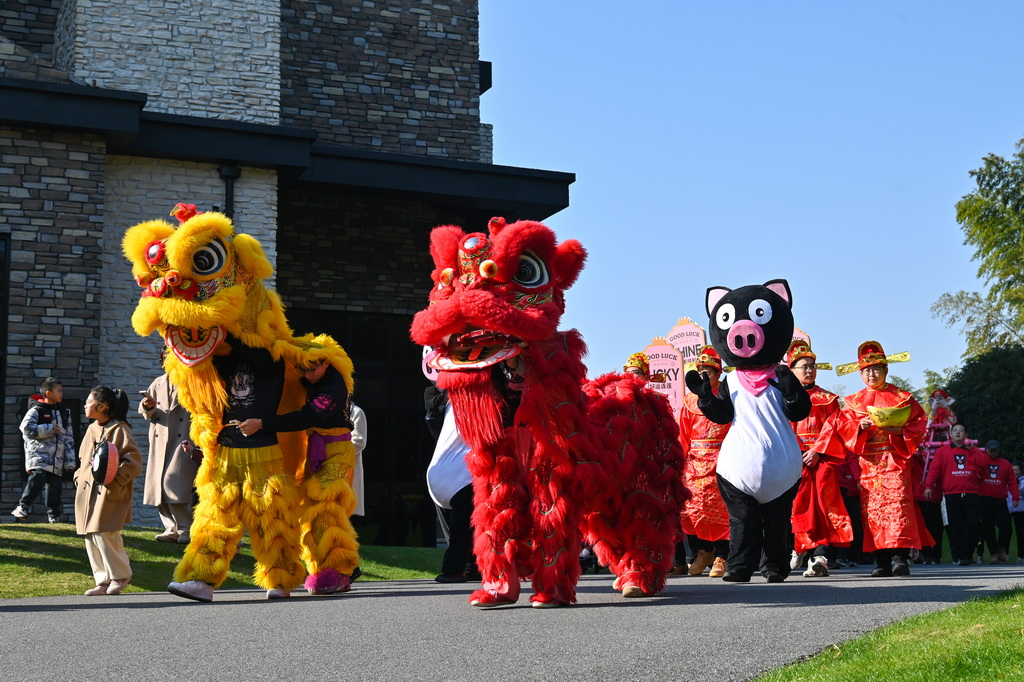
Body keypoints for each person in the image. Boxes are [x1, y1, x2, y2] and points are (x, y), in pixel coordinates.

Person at [168, 337, 305, 602]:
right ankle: (202, 579)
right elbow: (199, 362)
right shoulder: (225, 356)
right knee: (214, 517)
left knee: (270, 516)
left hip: (263, 449)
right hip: (227, 449)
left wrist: (232, 329)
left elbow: (262, 358)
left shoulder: (272, 356)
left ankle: (280, 580)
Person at [236, 350, 360, 596]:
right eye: (304, 369)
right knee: (310, 511)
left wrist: (263, 423)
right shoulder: (311, 378)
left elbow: (309, 415)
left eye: (313, 369)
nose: (308, 375)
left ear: (326, 362)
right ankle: (323, 567)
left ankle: (340, 570)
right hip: (316, 450)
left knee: (327, 509)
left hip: (336, 451)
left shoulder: (334, 386)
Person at [833, 341, 931, 577]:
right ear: (860, 373)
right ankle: (882, 559)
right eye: (866, 370)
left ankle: (900, 558)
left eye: (876, 369)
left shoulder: (902, 397)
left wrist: (900, 431)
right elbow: (843, 427)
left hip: (896, 460)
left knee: (898, 508)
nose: (871, 374)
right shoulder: (854, 401)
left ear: (886, 370)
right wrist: (859, 426)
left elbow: (919, 423)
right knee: (873, 511)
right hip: (870, 463)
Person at [785, 340, 852, 577]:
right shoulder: (784, 397)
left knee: (823, 505)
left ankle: (820, 556)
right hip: (794, 459)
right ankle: (800, 546)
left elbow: (835, 428)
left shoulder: (828, 399)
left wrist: (817, 451)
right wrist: (796, 453)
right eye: (803, 366)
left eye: (812, 365)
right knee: (798, 505)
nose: (809, 370)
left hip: (822, 459)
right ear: (792, 369)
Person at [73, 386, 143, 596]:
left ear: (102, 407)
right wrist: (78, 477)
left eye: (89, 401)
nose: (85, 405)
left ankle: (120, 576)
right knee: (90, 535)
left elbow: (133, 462)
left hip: (108, 493)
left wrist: (114, 482)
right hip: (86, 493)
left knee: (106, 534)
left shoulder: (120, 430)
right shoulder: (92, 429)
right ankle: (102, 581)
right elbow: (83, 460)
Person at [677, 345, 731, 578]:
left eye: (708, 372)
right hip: (694, 465)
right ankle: (705, 550)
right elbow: (683, 436)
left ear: (718, 374)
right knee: (689, 510)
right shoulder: (690, 402)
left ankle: (723, 556)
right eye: (700, 372)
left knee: (721, 511)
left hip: (722, 460)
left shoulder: (727, 397)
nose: (703, 376)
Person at [139, 349, 199, 544]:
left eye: (171, 358)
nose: (168, 362)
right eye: (165, 359)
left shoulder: (192, 380)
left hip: (183, 440)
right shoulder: (158, 382)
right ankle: (170, 528)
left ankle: (185, 528)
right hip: (161, 440)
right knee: (158, 487)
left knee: (173, 483)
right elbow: (144, 410)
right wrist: (148, 405)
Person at [427, 398, 477, 583]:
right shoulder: (478, 400)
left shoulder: (448, 401)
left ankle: (471, 566)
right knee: (463, 526)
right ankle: (453, 568)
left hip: (437, 469)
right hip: (462, 470)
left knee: (462, 526)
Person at [14, 377, 76, 523]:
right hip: (39, 456)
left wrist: (70, 462)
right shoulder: (36, 410)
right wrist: (49, 429)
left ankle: (53, 516)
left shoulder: (64, 413)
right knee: (39, 477)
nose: (62, 394)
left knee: (55, 487)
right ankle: (22, 506)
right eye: (59, 391)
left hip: (57, 460)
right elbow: (26, 428)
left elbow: (69, 437)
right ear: (48, 393)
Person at [923, 423, 985, 566]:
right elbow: (934, 470)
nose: (958, 433)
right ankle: (964, 556)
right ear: (950, 435)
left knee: (974, 526)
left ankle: (968, 552)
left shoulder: (972, 450)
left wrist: (973, 450)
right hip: (952, 494)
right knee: (956, 527)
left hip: (971, 493)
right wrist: (928, 486)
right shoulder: (943, 451)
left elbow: (982, 463)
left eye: (961, 431)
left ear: (966, 435)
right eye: (955, 430)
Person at [977, 441, 1020, 563]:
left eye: (995, 450)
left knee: (1006, 526)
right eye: (991, 450)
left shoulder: (1006, 464)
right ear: (986, 450)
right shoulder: (983, 461)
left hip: (1000, 499)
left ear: (999, 450)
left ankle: (1001, 547)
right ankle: (994, 554)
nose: (993, 452)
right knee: (987, 527)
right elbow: (975, 476)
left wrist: (1015, 497)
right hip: (984, 498)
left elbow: (1012, 482)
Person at [1009, 461, 1024, 563]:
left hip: (1020, 508)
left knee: (1021, 532)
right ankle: (1004, 554)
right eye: (1013, 470)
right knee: (1006, 531)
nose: (1015, 472)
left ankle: (1021, 556)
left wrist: (1018, 484)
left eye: (1017, 470)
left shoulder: (1022, 480)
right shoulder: (1007, 479)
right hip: (1009, 508)